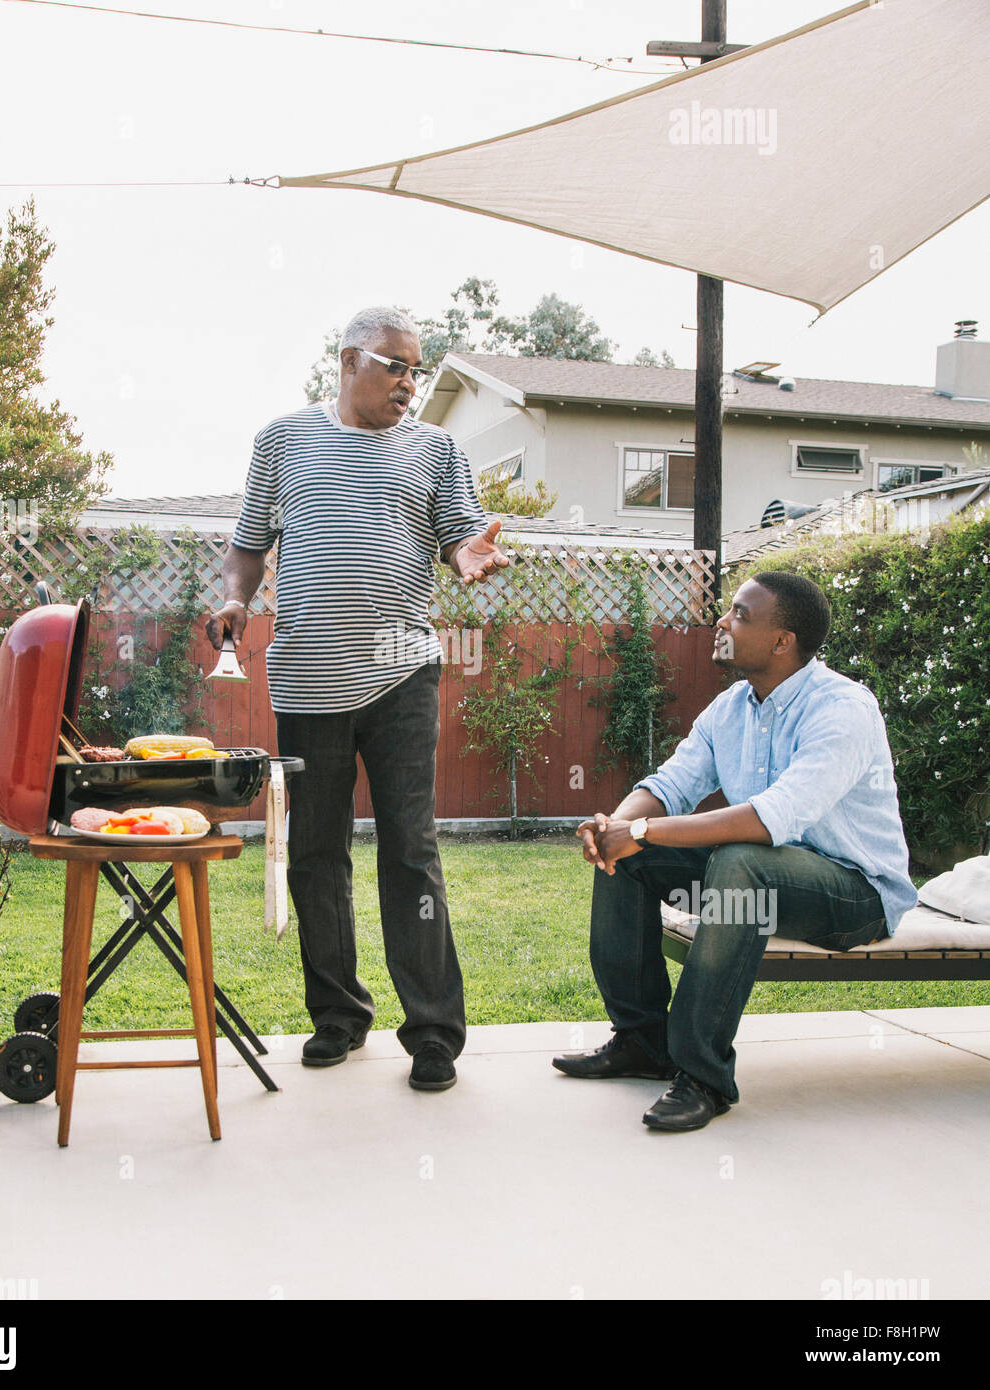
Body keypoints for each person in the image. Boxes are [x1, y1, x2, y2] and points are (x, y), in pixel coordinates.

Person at [207, 306, 508, 1092]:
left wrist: (467, 552)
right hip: (308, 676)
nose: (411, 384)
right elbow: (246, 544)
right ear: (349, 361)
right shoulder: (283, 439)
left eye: (418, 369)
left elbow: (458, 535)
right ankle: (337, 1016)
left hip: (403, 668)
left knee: (411, 848)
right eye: (396, 366)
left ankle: (434, 1031)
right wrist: (236, 599)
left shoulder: (437, 449)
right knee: (316, 852)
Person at [553, 571, 918, 1131]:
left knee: (738, 860)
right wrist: (615, 828)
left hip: (853, 893)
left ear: (782, 641)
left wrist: (645, 833)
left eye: (741, 614)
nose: (722, 622)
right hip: (757, 878)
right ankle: (641, 1042)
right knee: (631, 858)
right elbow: (669, 784)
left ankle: (703, 1077)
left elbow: (771, 818)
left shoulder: (843, 708)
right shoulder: (731, 708)